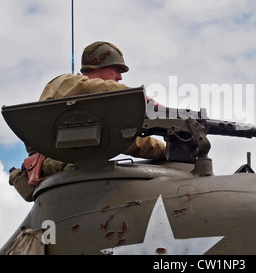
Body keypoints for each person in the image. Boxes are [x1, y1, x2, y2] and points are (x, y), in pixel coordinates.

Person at [9, 41, 166, 201]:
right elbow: (84, 88)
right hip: (52, 160)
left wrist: (165, 151)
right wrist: (134, 96)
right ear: (98, 66)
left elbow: (128, 140)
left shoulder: (103, 112)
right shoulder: (64, 83)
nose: (119, 77)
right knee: (91, 176)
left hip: (84, 162)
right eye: (117, 70)